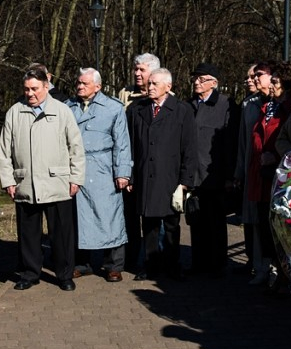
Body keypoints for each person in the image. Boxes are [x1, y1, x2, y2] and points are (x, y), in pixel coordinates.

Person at [0, 65, 85, 291]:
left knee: (62, 234)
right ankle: (30, 273)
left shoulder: (62, 111)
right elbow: (4, 151)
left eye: (35, 89)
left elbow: (76, 147)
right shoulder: (14, 112)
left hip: (58, 183)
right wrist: (8, 180)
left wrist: (76, 178)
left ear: (46, 86)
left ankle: (64, 274)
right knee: (28, 234)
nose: (30, 94)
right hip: (25, 183)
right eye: (26, 89)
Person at [126, 68, 198, 281]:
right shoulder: (137, 109)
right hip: (144, 175)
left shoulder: (182, 111)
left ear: (168, 87)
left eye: (155, 84)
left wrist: (185, 182)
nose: (150, 88)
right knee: (148, 223)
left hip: (169, 177)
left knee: (170, 224)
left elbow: (189, 148)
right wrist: (129, 174)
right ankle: (150, 265)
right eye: (149, 84)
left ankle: (172, 265)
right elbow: (129, 145)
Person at [66, 68, 132, 282]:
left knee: (110, 217)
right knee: (79, 217)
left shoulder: (113, 108)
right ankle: (81, 263)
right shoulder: (68, 107)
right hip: (76, 167)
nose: (79, 86)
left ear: (98, 86)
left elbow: (122, 143)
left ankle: (113, 265)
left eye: (84, 83)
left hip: (103, 169)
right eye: (78, 83)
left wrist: (123, 173)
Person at [246, 62, 291, 288]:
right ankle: (269, 270)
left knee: (280, 228)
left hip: (279, 175)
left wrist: (275, 156)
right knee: (264, 224)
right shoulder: (269, 106)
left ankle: (284, 276)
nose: (272, 84)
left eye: (276, 81)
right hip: (261, 173)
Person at [185, 63, 237, 277]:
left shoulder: (227, 105)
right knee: (196, 220)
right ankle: (199, 262)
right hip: (194, 174)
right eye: (195, 78)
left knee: (215, 221)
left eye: (202, 78)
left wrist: (229, 176)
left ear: (214, 83)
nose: (197, 82)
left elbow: (231, 143)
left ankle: (217, 264)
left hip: (215, 175)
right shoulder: (189, 105)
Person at [119, 52, 162, 272]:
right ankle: (131, 258)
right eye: (135, 69)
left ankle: (155, 259)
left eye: (142, 70)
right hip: (131, 163)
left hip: (156, 166)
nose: (137, 73)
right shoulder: (125, 95)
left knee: (155, 219)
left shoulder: (166, 97)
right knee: (130, 216)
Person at [234, 61, 273, 274]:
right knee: (251, 219)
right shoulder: (249, 105)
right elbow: (243, 142)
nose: (253, 80)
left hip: (270, 170)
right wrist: (239, 171)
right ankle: (256, 263)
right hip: (252, 169)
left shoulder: (279, 103)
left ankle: (267, 267)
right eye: (250, 76)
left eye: (257, 75)